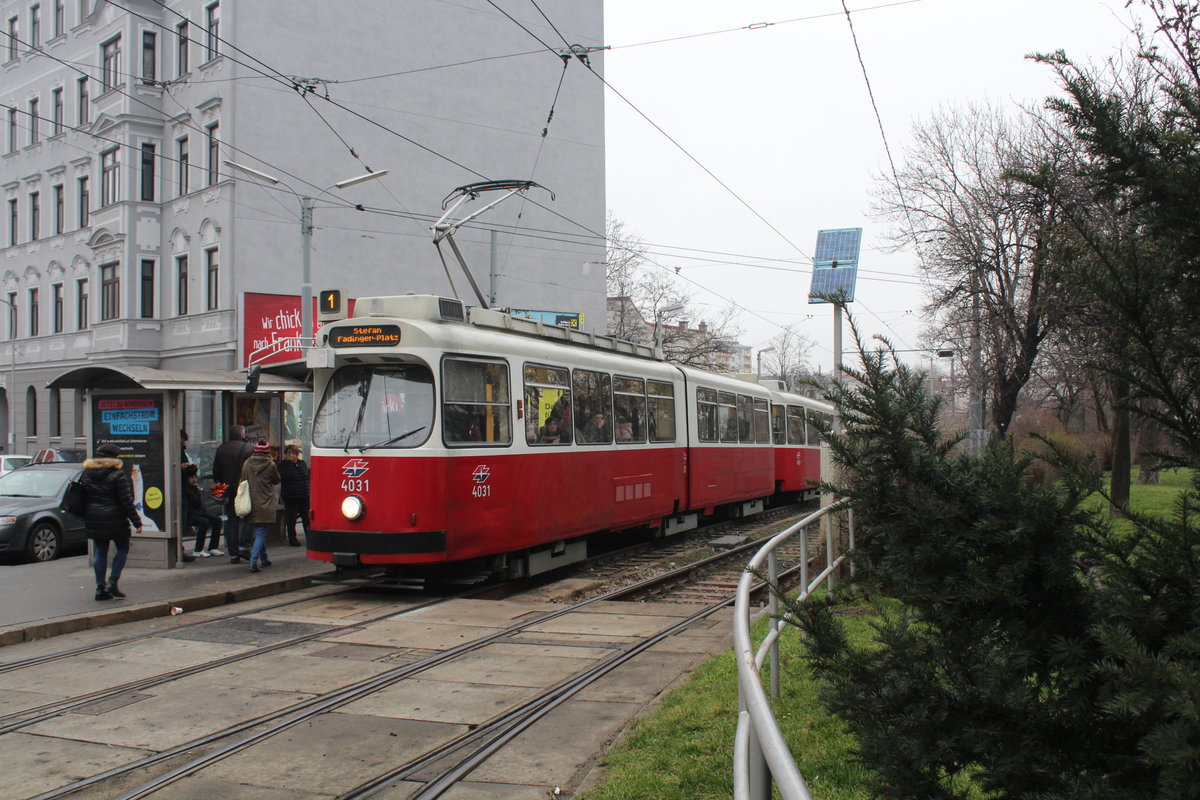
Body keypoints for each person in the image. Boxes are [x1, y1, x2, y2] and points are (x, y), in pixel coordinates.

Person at [81, 443, 142, 600]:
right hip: (115, 516)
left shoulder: (88, 472)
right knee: (122, 548)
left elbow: (83, 495)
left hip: (94, 516)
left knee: (100, 551)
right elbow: (126, 501)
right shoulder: (117, 474)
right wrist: (137, 522)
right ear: (114, 458)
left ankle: (100, 588)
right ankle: (112, 582)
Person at [213, 424, 253, 563]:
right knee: (249, 516)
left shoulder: (221, 448)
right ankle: (244, 545)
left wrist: (220, 489)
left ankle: (233, 554)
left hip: (228, 491)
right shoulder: (248, 448)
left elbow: (216, 472)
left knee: (232, 521)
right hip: (244, 489)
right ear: (242, 434)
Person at [241, 439, 280, 573]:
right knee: (261, 533)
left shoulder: (247, 464)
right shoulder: (271, 465)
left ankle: (264, 559)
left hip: (251, 502)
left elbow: (243, 480)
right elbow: (276, 480)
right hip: (265, 503)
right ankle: (253, 562)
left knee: (259, 531)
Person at [183, 463, 224, 558]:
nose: (194, 480)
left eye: (195, 477)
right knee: (204, 522)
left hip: (199, 513)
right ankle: (198, 550)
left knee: (217, 520)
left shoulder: (195, 489)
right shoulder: (186, 490)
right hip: (190, 515)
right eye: (192, 478)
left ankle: (213, 547)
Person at [277, 445, 309, 547]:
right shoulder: (283, 465)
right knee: (292, 518)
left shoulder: (302, 463)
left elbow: (306, 476)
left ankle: (309, 536)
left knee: (306, 518)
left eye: (293, 453)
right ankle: (292, 538)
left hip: (304, 495)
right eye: (289, 453)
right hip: (290, 496)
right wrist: (290, 463)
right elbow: (285, 476)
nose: (291, 455)